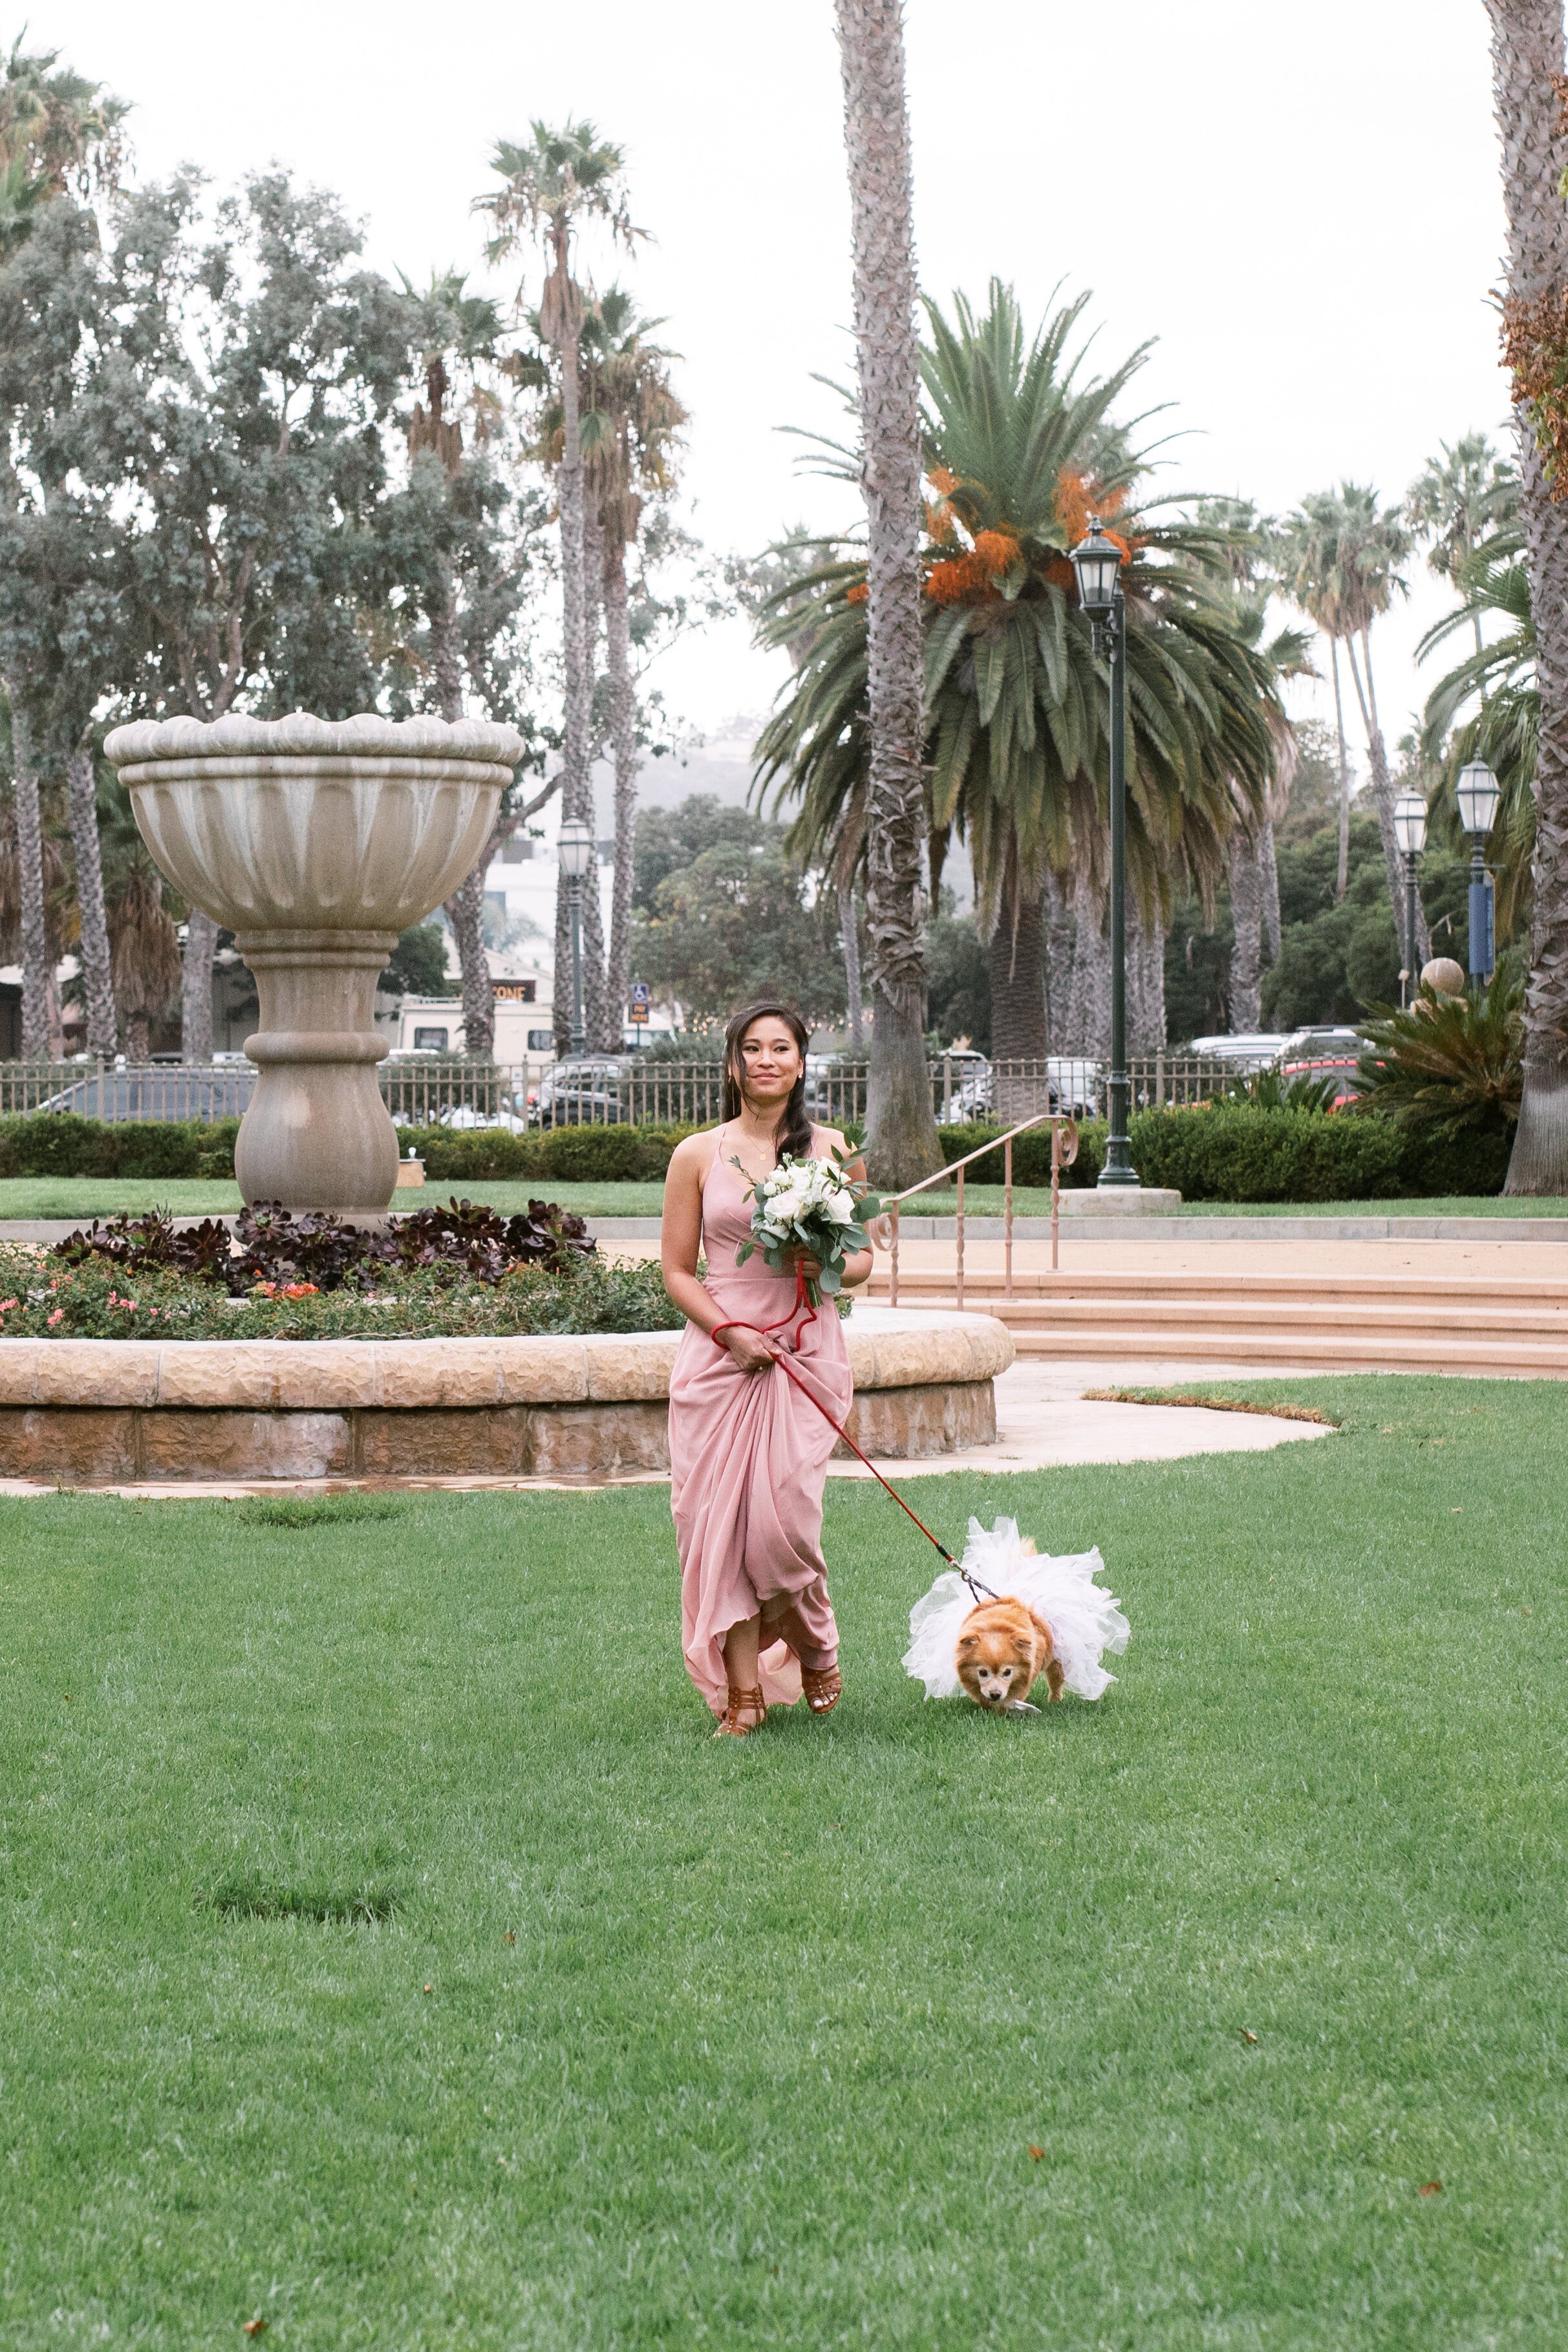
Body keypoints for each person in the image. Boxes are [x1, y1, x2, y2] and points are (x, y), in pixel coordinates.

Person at [661, 1000, 873, 1737]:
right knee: (717, 1525)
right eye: (751, 1048)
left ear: (801, 1063)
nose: (765, 1060)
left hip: (803, 1353)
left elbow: (865, 1259)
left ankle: (813, 1638)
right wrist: (727, 1333)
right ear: (732, 1064)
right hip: (720, 1359)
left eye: (780, 1047)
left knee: (779, 1521)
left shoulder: (831, 1149)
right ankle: (744, 1693)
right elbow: (676, 1272)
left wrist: (833, 1262)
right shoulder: (696, 1154)